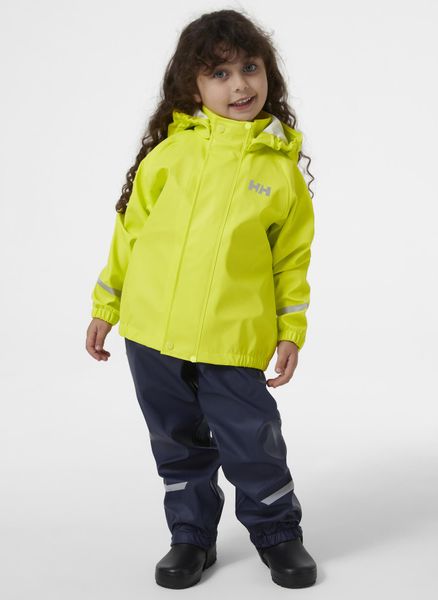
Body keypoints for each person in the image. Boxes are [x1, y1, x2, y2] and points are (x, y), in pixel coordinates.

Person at [85, 8, 317, 590]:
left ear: (268, 75)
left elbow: (291, 261)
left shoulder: (281, 173)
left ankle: (278, 534)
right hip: (151, 334)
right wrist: (106, 307)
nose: (240, 85)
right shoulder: (168, 156)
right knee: (176, 443)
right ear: (192, 86)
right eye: (219, 73)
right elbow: (129, 235)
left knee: (253, 441)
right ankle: (190, 536)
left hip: (231, 338)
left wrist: (290, 331)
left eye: (250, 68)